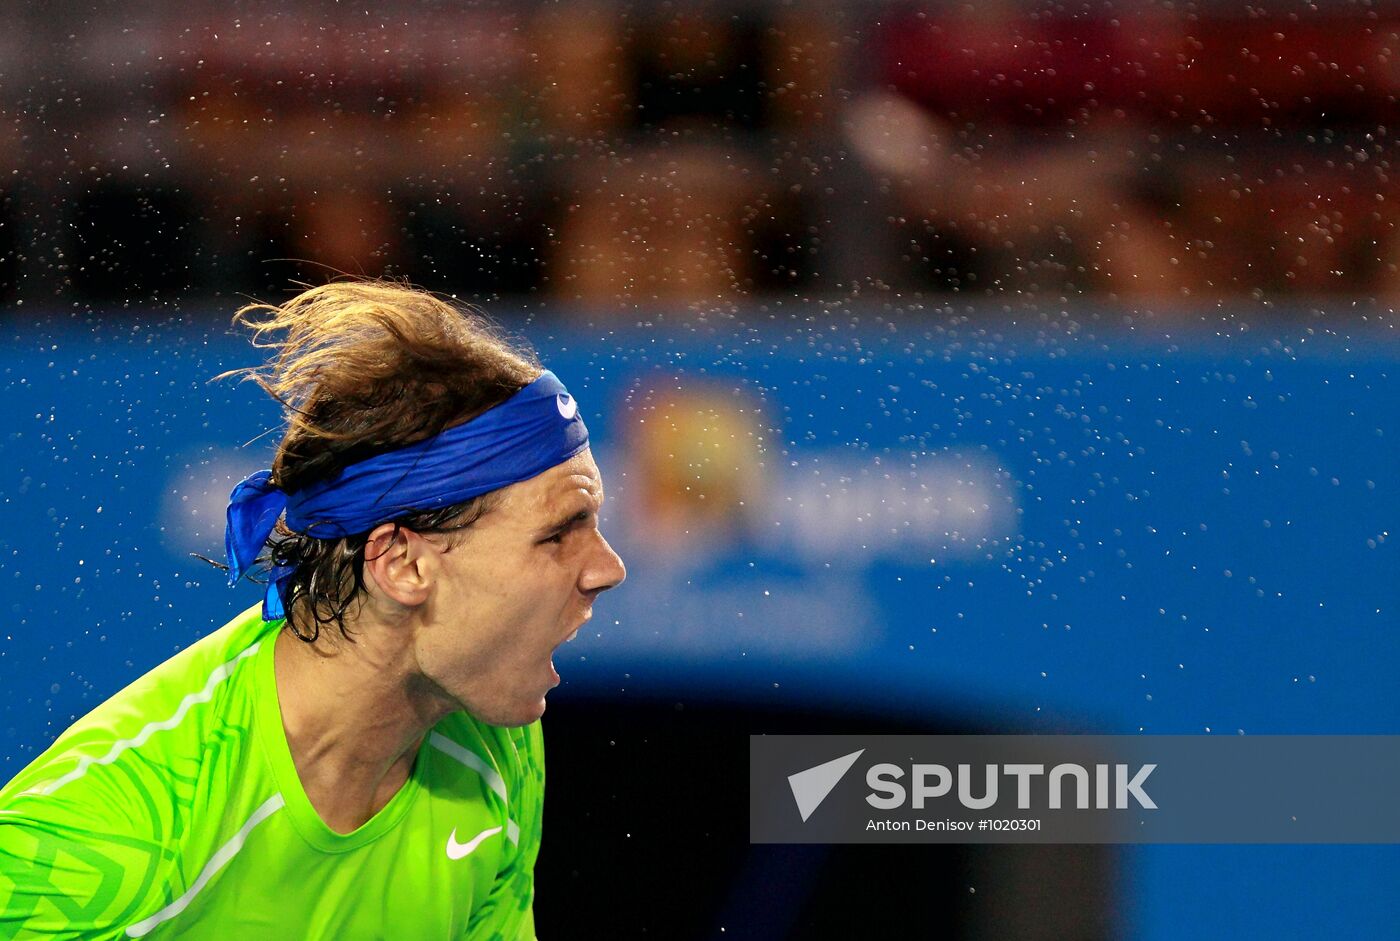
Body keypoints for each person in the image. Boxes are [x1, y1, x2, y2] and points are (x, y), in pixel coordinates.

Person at [0, 281, 626, 939]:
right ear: (403, 563)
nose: (607, 567)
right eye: (559, 531)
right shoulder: (106, 833)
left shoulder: (499, 742)